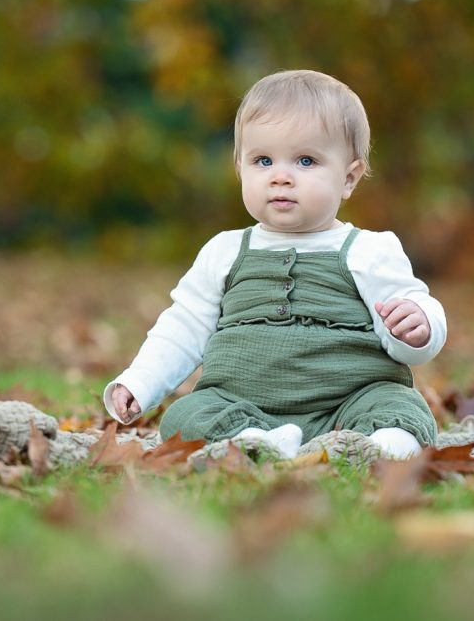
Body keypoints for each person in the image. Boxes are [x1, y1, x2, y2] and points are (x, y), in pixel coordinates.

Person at [103, 69, 446, 460]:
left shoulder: (369, 250)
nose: (281, 177)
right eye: (263, 160)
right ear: (239, 169)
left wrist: (417, 329)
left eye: (305, 160)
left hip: (348, 403)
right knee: (185, 415)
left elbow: (414, 319)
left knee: (399, 407)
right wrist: (138, 383)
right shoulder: (224, 251)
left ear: (348, 179)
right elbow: (183, 327)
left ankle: (376, 449)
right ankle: (255, 442)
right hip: (241, 403)